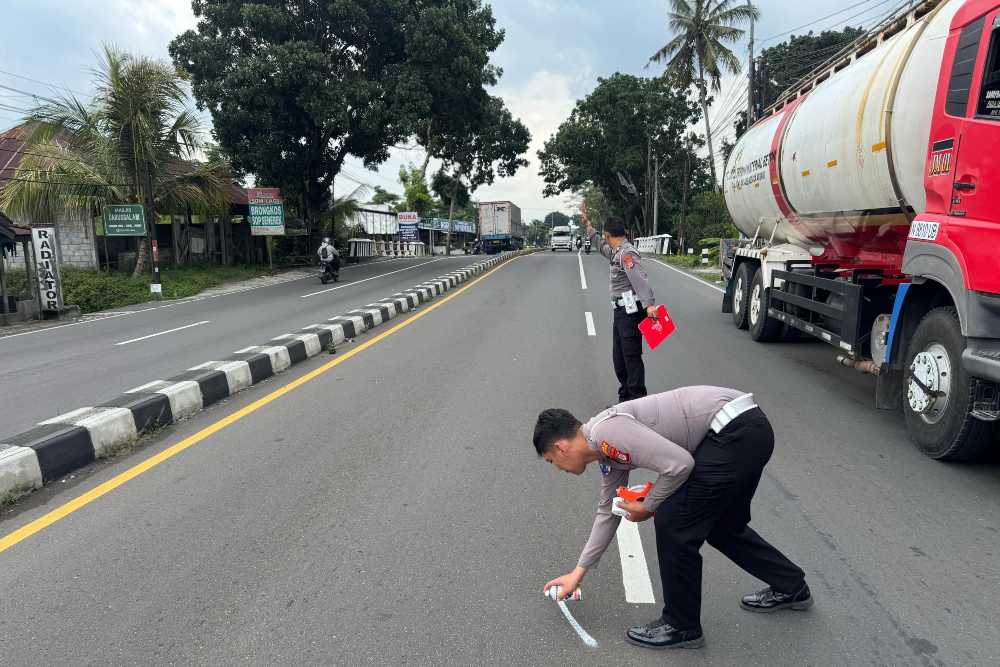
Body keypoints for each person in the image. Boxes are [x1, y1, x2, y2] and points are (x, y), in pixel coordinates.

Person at [534, 387, 812, 650]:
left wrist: (649, 505)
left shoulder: (606, 431)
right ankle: (791, 586)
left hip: (734, 432)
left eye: (550, 461)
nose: (557, 468)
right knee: (722, 526)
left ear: (561, 448)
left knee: (672, 521)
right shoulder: (605, 453)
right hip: (747, 430)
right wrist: (577, 574)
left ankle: (681, 625)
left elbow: (680, 465)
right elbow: (608, 512)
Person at [585, 215, 655, 401]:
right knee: (620, 359)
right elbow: (600, 246)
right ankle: (625, 399)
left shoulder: (627, 254)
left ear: (608, 234)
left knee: (631, 358)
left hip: (630, 313)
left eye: (604, 235)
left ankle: (638, 401)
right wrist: (588, 226)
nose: (604, 239)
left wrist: (649, 305)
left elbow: (639, 279)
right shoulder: (616, 252)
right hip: (621, 312)